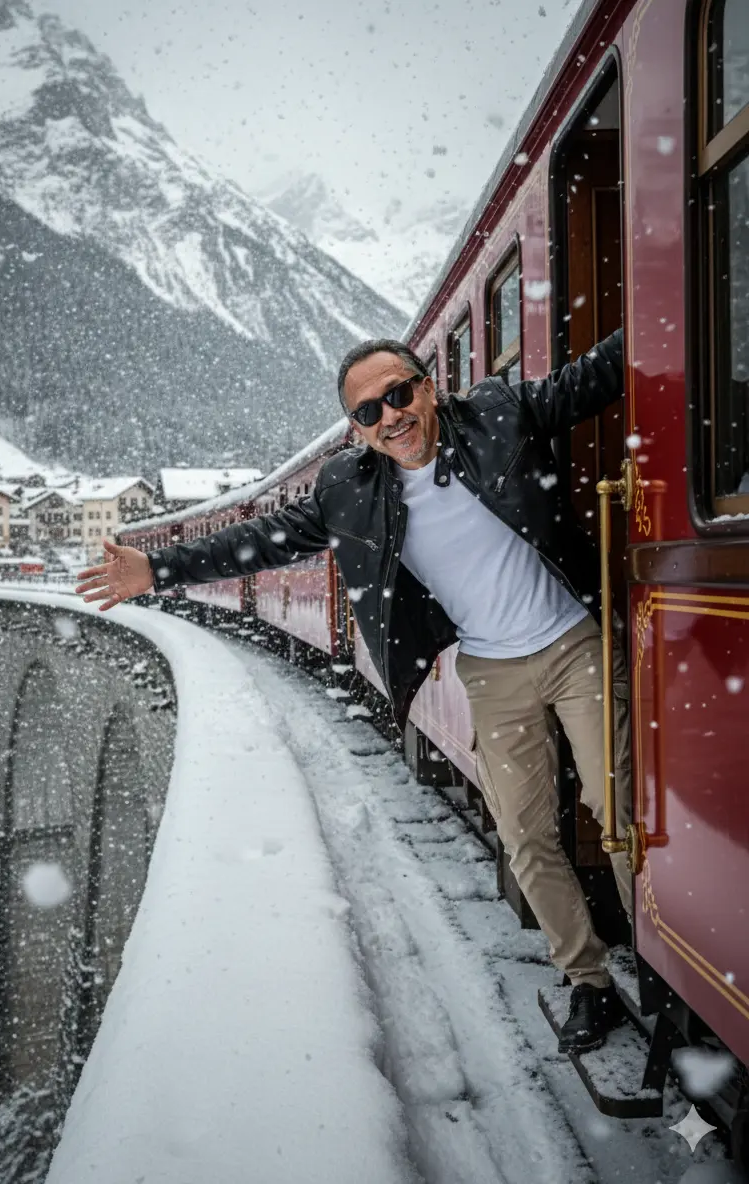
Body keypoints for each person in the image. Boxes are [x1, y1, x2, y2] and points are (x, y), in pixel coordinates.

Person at [76, 330, 631, 1054]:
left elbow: (603, 370)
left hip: (572, 643)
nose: (391, 417)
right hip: (493, 672)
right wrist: (157, 570)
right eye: (370, 412)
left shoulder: (499, 411)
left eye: (400, 395)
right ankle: (588, 981)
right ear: (356, 430)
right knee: (525, 835)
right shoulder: (349, 489)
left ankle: (661, 961)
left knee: (616, 807)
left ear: (428, 387)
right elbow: (265, 539)